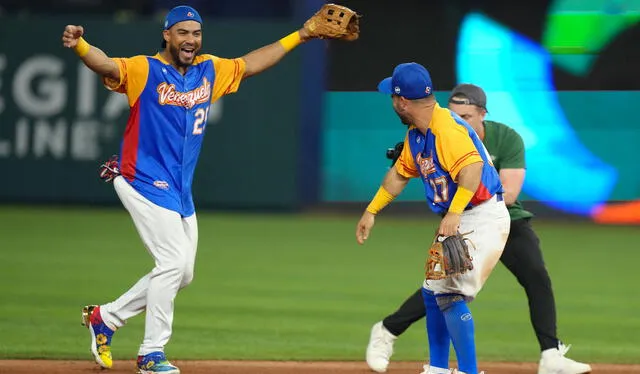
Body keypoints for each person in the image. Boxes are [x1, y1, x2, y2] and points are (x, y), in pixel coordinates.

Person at [61, 5, 353, 373]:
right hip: (141, 178)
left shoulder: (208, 71)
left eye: (196, 33)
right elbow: (106, 65)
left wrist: (304, 34)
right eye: (183, 32)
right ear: (167, 35)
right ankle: (151, 353)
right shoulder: (144, 69)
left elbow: (251, 63)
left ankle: (107, 317)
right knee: (171, 263)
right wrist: (81, 45)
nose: (191, 40)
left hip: (180, 190)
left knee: (183, 273)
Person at [365, 84, 592, 374]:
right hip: (461, 218)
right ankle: (389, 331)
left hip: (503, 218)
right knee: (441, 288)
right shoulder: (439, 133)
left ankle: (551, 355)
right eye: (455, 113)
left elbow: (508, 192)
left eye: (467, 115)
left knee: (535, 276)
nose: (460, 119)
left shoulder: (505, 138)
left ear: (482, 114)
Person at [356, 64, 511, 374]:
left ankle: (468, 370)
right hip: (460, 217)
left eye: (392, 96)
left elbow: (472, 171)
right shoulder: (416, 135)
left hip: (481, 216)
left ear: (402, 101)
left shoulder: (446, 129)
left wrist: (454, 214)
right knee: (432, 291)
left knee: (451, 294)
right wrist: (371, 211)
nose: (391, 102)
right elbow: (399, 175)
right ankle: (439, 368)